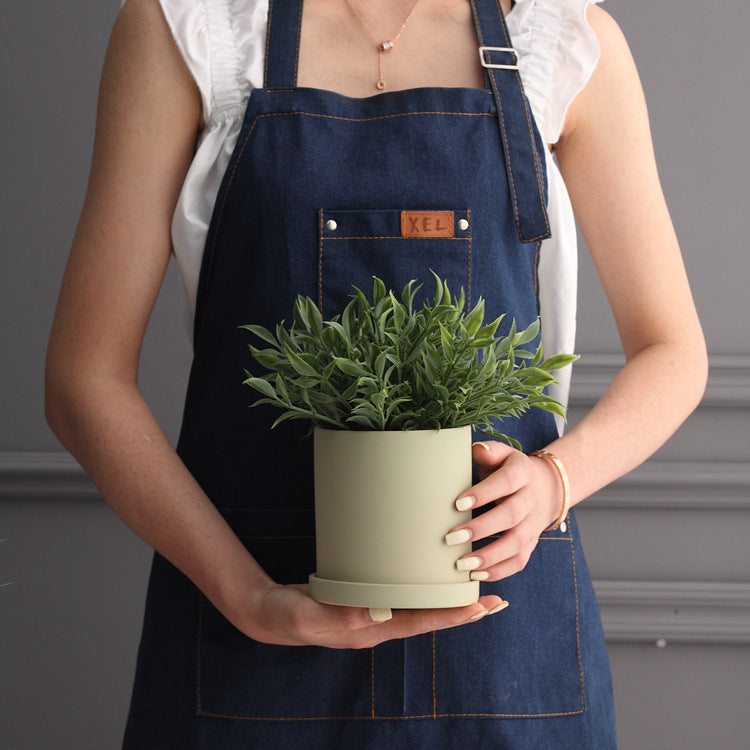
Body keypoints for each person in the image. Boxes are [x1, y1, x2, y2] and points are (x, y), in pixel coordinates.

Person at [45, 0, 707, 747]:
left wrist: (556, 479)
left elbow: (674, 352)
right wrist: (251, 597)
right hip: (248, 630)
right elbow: (83, 378)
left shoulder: (562, 41)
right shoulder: (196, 30)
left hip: (502, 654)